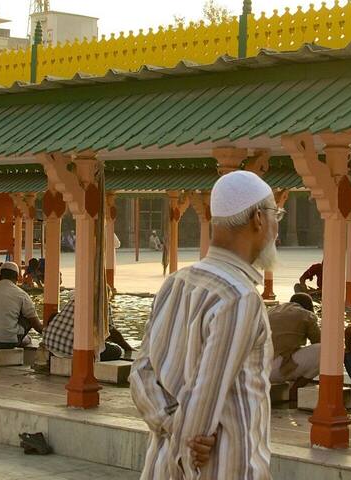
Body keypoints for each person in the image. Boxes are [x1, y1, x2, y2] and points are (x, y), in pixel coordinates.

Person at [131, 170, 280, 478]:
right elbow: (203, 399)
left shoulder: (176, 283)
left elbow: (140, 374)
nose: (277, 226)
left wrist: (170, 423)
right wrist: (187, 441)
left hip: (161, 466)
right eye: (276, 214)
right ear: (258, 218)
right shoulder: (239, 298)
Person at [40, 295, 134, 362]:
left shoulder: (74, 298)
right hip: (72, 350)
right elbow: (111, 332)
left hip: (51, 344)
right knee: (116, 351)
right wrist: (127, 348)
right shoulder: (103, 303)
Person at [0, 266, 41, 348]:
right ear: (17, 277)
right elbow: (36, 325)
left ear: (0, 276)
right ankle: (22, 340)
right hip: (7, 342)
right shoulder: (21, 294)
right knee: (29, 317)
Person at [266, 293, 323, 384]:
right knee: (324, 351)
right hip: (274, 371)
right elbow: (318, 341)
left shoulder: (270, 311)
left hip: (256, 369)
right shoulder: (307, 315)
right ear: (309, 306)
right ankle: (296, 389)